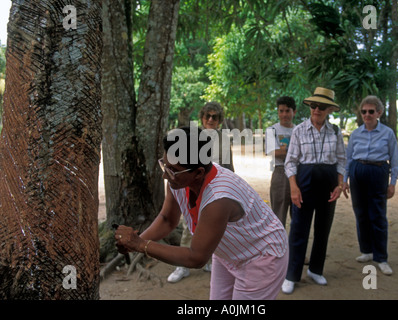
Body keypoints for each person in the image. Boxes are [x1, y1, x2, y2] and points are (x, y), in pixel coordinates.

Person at [115, 126, 288, 300]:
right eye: (164, 165)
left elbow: (196, 258)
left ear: (198, 173)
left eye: (172, 170)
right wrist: (135, 242)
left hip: (261, 256)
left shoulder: (218, 198)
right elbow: (167, 220)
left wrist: (140, 245)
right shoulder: (178, 180)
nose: (165, 176)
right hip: (228, 251)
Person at [282, 87, 346, 294]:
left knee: (323, 228)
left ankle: (316, 270)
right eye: (314, 106)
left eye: (322, 106)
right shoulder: (299, 130)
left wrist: (339, 184)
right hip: (305, 182)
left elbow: (341, 160)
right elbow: (290, 162)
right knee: (299, 228)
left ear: (329, 110)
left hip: (328, 184)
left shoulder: (335, 131)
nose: (316, 110)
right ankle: (292, 274)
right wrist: (293, 187)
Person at [167, 101, 234, 283]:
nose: (211, 119)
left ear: (219, 120)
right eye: (208, 116)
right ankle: (182, 266)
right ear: (202, 117)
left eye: (215, 117)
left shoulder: (223, 139)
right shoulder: (194, 136)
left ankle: (211, 261)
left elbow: (229, 166)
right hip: (196, 187)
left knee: (215, 228)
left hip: (217, 189)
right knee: (190, 226)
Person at [342, 95, 398, 276]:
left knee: (378, 215)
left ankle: (381, 257)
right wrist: (344, 180)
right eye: (364, 111)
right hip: (358, 172)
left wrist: (392, 183)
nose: (367, 115)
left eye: (371, 111)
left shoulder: (387, 133)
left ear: (379, 113)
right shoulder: (356, 134)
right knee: (361, 213)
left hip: (378, 172)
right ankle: (366, 251)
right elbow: (348, 158)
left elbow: (395, 160)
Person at [265, 96, 296, 229]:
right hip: (280, 173)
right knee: (278, 215)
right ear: (278, 112)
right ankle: (278, 247)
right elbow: (273, 152)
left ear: (294, 111)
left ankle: (294, 248)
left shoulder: (299, 130)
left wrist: (284, 150)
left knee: (298, 215)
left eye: (287, 111)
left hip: (298, 174)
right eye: (281, 111)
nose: (284, 114)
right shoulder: (272, 130)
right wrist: (295, 151)